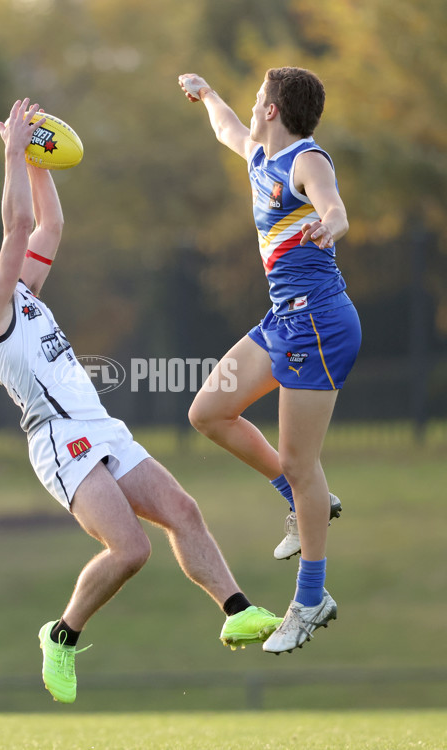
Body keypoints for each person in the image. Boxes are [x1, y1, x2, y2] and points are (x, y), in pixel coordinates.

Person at [0, 98, 282, 703]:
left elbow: (46, 227)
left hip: (100, 426)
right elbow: (14, 230)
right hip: (59, 441)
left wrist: (36, 160)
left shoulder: (22, 291)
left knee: (183, 512)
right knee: (131, 550)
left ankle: (236, 609)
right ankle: (61, 635)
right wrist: (11, 150)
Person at [177, 68, 361, 654]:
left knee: (301, 463)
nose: (251, 107)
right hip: (284, 319)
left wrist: (329, 228)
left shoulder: (308, 159)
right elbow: (227, 130)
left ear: (275, 109)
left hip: (319, 323)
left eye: (258, 98)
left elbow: (334, 208)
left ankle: (311, 598)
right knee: (209, 411)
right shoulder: (260, 155)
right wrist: (207, 96)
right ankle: (304, 501)